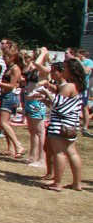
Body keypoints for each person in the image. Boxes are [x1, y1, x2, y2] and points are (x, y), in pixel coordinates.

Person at [37, 59, 84, 191]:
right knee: (72, 153)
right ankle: (77, 183)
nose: (63, 71)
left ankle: (57, 183)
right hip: (71, 124)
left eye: (65, 68)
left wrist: (46, 92)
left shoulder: (68, 86)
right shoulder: (76, 85)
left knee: (59, 153)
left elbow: (57, 105)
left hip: (60, 124)